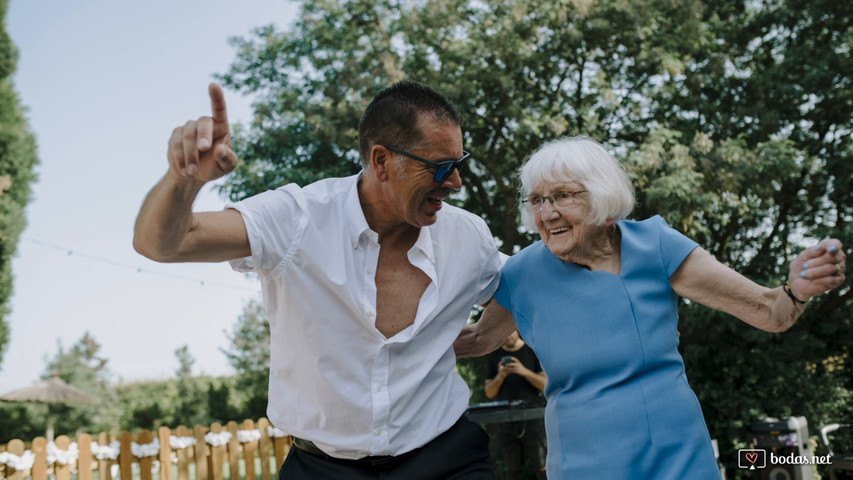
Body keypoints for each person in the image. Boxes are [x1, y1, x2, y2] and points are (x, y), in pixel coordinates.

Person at [133, 81, 506, 479]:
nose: (455, 182)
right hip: (321, 468)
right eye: (439, 167)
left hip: (446, 460)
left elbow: (522, 282)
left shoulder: (467, 236)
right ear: (381, 161)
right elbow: (164, 245)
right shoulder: (295, 219)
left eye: (458, 163)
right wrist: (184, 179)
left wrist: (487, 336)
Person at [454, 136, 847, 479]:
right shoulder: (524, 273)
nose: (547, 212)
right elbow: (476, 340)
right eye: (537, 200)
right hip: (584, 463)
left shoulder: (655, 245)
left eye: (563, 195)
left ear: (601, 196)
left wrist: (798, 289)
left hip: (677, 456)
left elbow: (769, 311)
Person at [485, 330, 547, 480]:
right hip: (506, 422)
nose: (507, 336)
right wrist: (501, 375)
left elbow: (545, 384)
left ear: (515, 328)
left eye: (510, 331)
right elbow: (489, 392)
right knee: (513, 471)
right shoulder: (494, 356)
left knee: (543, 467)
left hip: (533, 419)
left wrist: (523, 371)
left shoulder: (532, 351)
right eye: (504, 333)